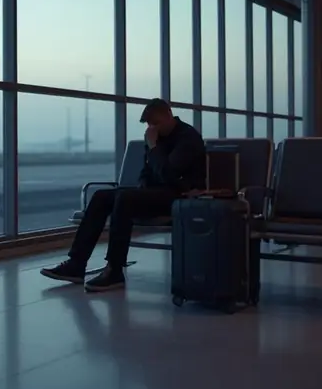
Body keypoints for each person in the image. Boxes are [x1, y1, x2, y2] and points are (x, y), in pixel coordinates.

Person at [41, 98, 206, 292]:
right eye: (150, 125)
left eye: (156, 123)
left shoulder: (187, 138)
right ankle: (76, 264)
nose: (152, 128)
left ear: (169, 117)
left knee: (125, 199)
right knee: (101, 196)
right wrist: (143, 184)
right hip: (155, 192)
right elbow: (148, 171)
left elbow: (168, 174)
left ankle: (114, 269)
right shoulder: (158, 137)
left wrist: (153, 147)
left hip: (180, 195)